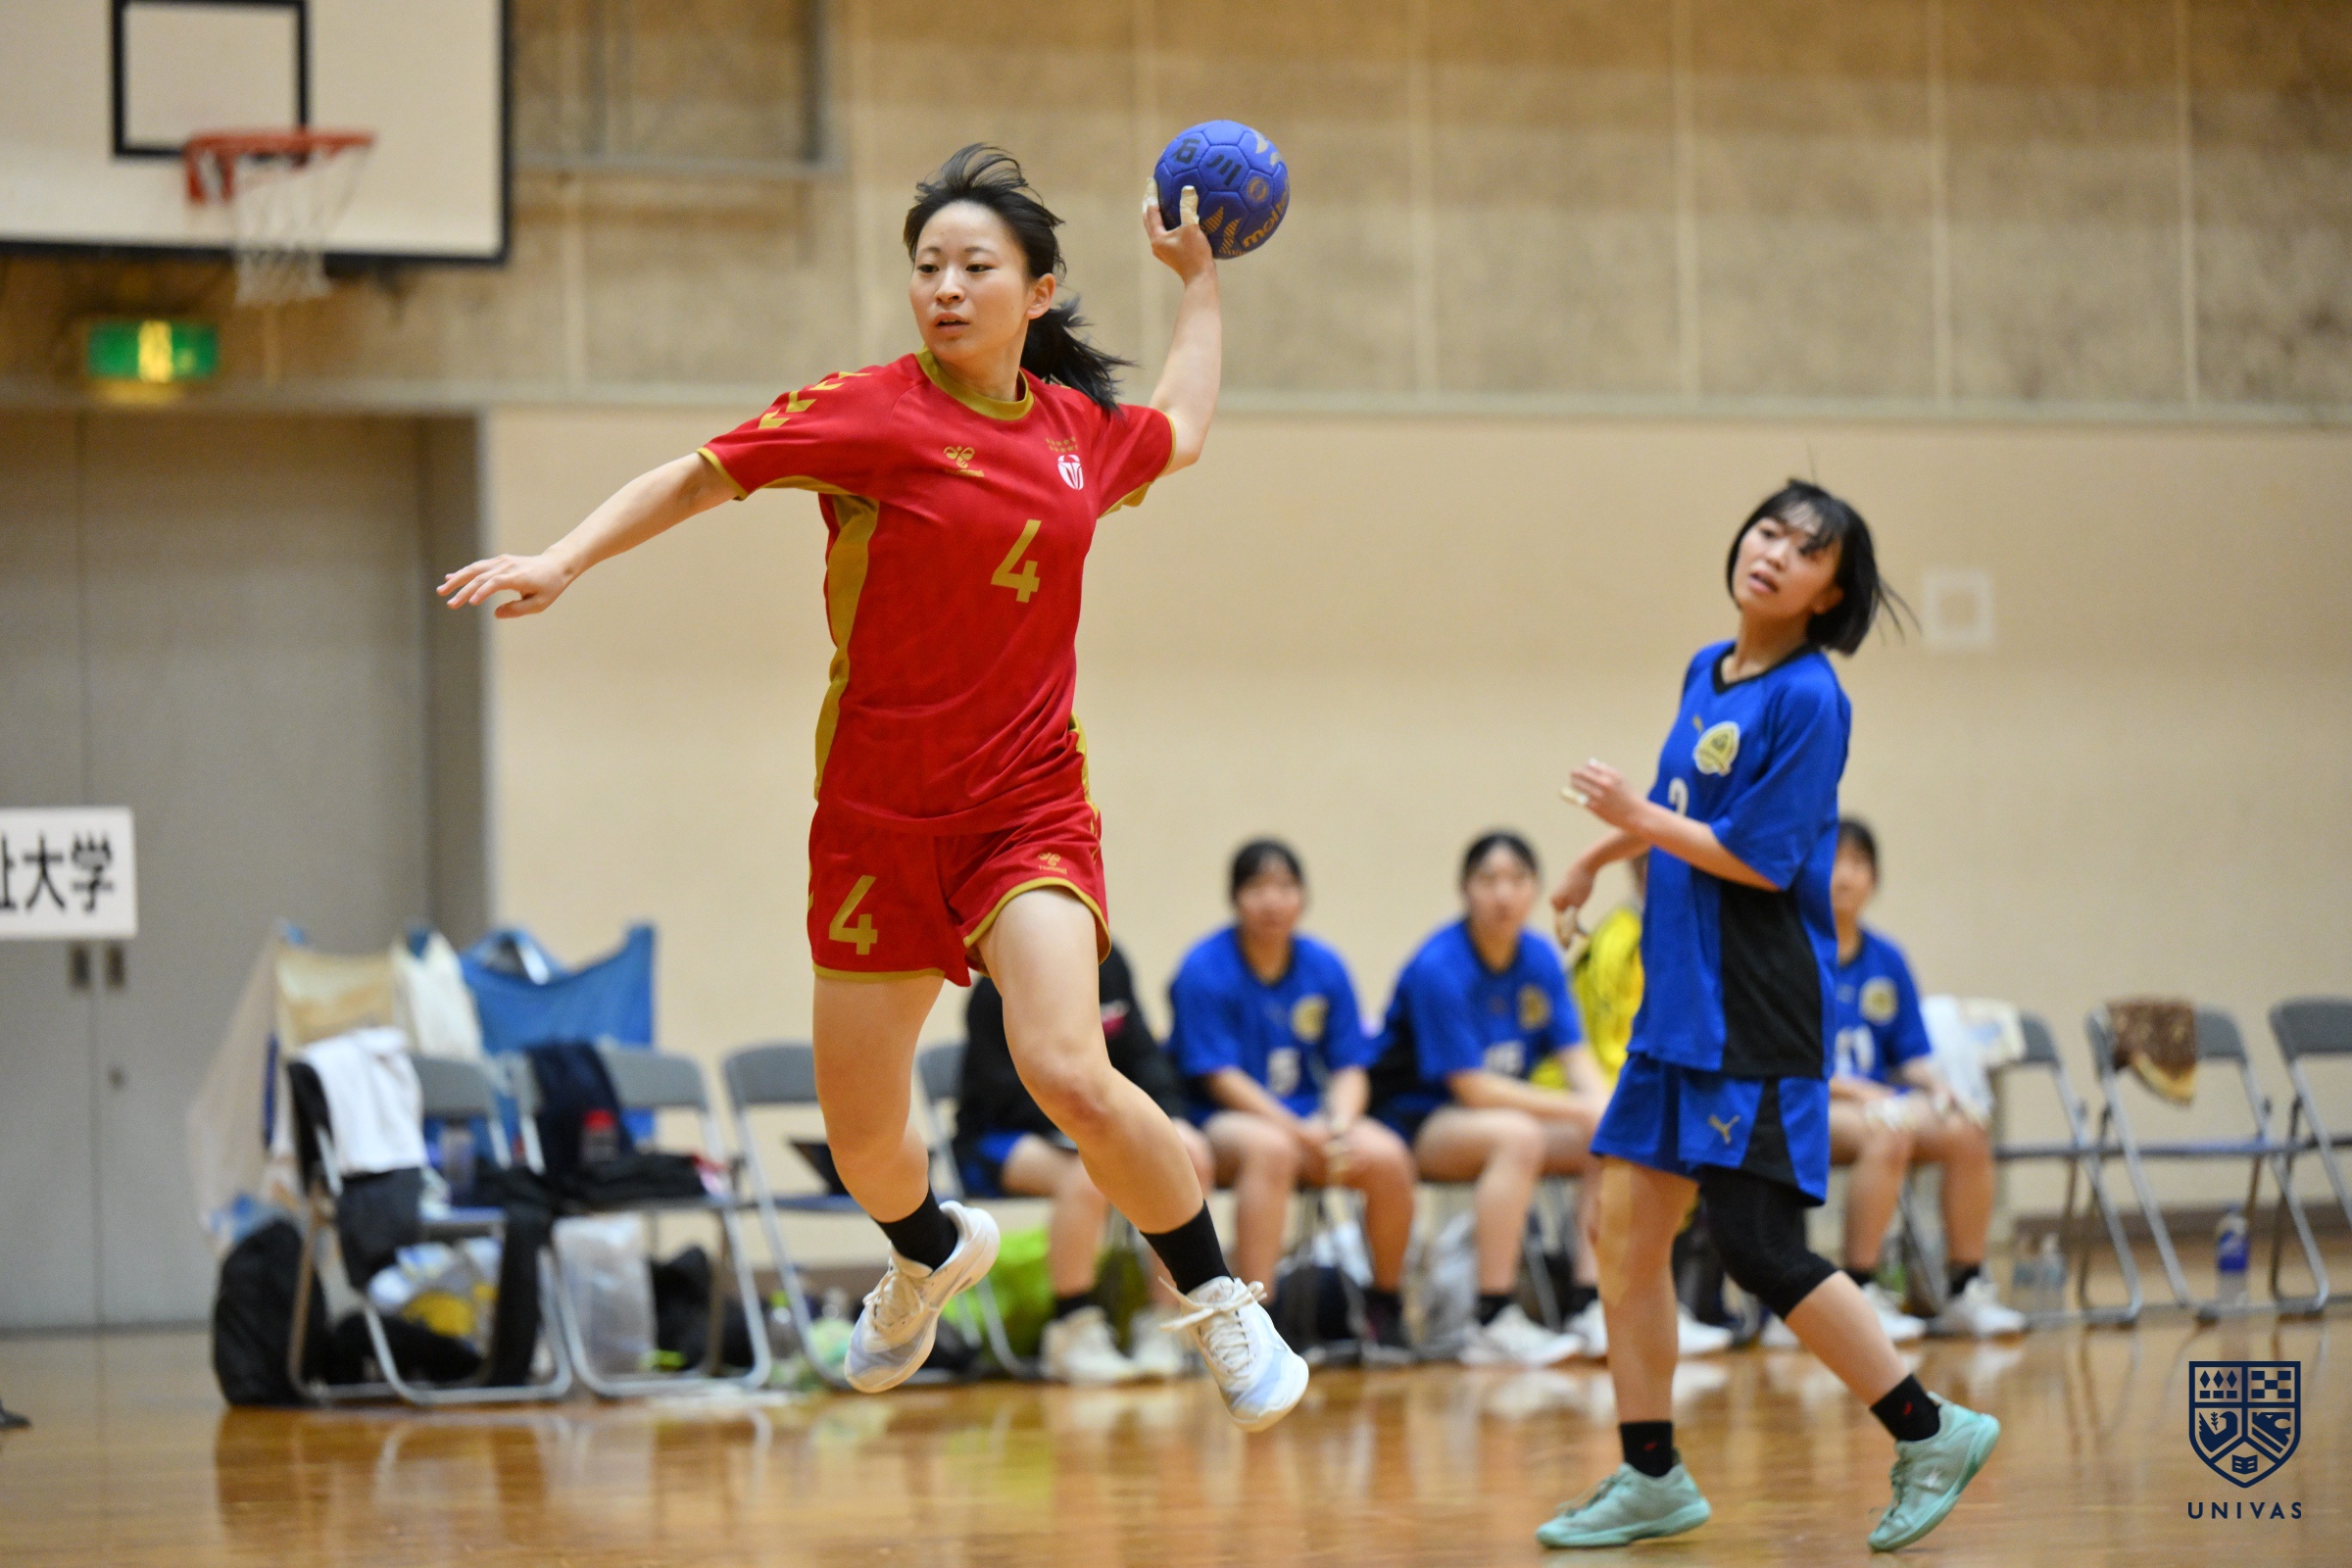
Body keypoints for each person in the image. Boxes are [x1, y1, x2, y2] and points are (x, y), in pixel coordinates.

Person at [439, 146, 1307, 1430]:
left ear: (1038, 291)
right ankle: (927, 1252)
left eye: (975, 266)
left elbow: (1179, 426)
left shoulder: (1076, 436)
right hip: (875, 824)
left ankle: (1220, 1299)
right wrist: (566, 558)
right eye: (927, 266)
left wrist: (1201, 284)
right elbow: (700, 471)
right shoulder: (869, 413)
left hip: (1026, 809)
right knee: (862, 1136)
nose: (945, 287)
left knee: (1068, 1066)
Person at [1540, 482, 1998, 1552]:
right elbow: (1682, 810)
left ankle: (1931, 1430)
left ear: (1830, 592)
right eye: (1769, 531)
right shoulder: (1709, 668)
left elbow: (1757, 856)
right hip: (1677, 1006)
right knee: (1626, 1234)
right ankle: (1651, 1474)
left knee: (1754, 1244)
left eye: (1806, 550)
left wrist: (1629, 818)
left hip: (1753, 1007)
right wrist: (1595, 856)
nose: (1776, 552)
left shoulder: (1811, 698)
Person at [1167, 839, 1417, 1357]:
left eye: (1284, 887)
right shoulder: (1204, 968)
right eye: (1257, 887)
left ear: (1302, 897)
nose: (1272, 900)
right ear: (1235, 898)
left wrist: (1340, 1124)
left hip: (1311, 1122)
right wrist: (1298, 1130)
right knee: (1271, 1151)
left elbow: (1350, 1066)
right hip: (1225, 1122)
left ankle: (1385, 1305)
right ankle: (1262, 1320)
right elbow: (1220, 1078)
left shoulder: (1324, 965)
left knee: (1389, 1157)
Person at [1365, 832, 1600, 1367]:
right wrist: (1577, 1108)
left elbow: (1576, 1057)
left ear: (1536, 889)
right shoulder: (1439, 965)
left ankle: (1590, 1304)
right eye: (1488, 880)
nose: (1503, 894)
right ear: (1464, 890)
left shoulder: (1539, 957)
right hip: (1416, 1121)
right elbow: (1471, 1088)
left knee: (1607, 1136)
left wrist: (1606, 1109)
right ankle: (1491, 1317)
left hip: (1494, 1118)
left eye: (1517, 880)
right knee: (1517, 1137)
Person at [1793, 817, 2023, 1342]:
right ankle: (1860, 1290)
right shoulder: (1796, 954)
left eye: (1858, 863)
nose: (1845, 876)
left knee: (1967, 1129)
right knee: (1890, 1130)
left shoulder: (1887, 958)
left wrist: (1939, 1086)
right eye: (1834, 861)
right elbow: (1793, 1061)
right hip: (1810, 1101)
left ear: (1874, 879)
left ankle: (1965, 1287)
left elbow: (1911, 1052)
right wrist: (1864, 1093)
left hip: (1878, 1102)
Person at [956, 942, 1209, 1383]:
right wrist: (1087, 1124)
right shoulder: (996, 987)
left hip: (1093, 1124)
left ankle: (1165, 1322)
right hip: (1006, 1133)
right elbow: (1000, 1092)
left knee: (1187, 1151)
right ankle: (1072, 1328)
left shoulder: (1108, 965)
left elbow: (1142, 1054)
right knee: (1089, 1175)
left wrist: (1170, 1118)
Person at [1548, 855, 1734, 1360]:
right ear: (1639, 869)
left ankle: (1677, 1300)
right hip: (1594, 1088)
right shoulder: (1621, 939)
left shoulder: (1691, 930)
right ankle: (1598, 1302)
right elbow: (1610, 1047)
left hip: (1661, 1082)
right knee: (1635, 1139)